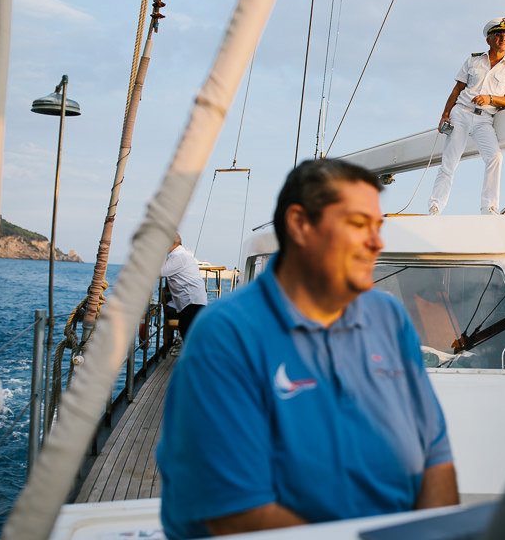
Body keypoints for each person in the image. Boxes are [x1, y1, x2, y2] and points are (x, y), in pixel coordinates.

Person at [157, 159, 457, 539]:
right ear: (300, 225)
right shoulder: (226, 337)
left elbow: (436, 457)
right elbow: (233, 513)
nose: (377, 242)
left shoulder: (389, 318)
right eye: (358, 224)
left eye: (378, 227)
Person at [428, 17, 505, 216]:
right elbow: (457, 89)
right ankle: (435, 206)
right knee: (450, 161)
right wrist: (445, 115)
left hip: (484, 119)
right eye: (498, 34)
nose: (503, 38)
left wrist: (490, 98)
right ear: (489, 39)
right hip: (461, 114)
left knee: (495, 157)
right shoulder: (473, 60)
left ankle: (488, 207)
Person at [161, 233, 207, 355]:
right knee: (187, 333)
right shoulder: (177, 256)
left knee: (189, 336)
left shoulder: (179, 256)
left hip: (192, 301)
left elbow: (161, 272)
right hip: (190, 301)